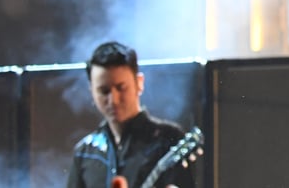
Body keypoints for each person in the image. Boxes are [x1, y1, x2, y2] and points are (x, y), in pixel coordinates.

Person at [66, 41, 196, 188]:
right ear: (91, 91)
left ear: (139, 83)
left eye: (121, 87)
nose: (113, 100)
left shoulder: (167, 140)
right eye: (104, 91)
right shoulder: (85, 152)